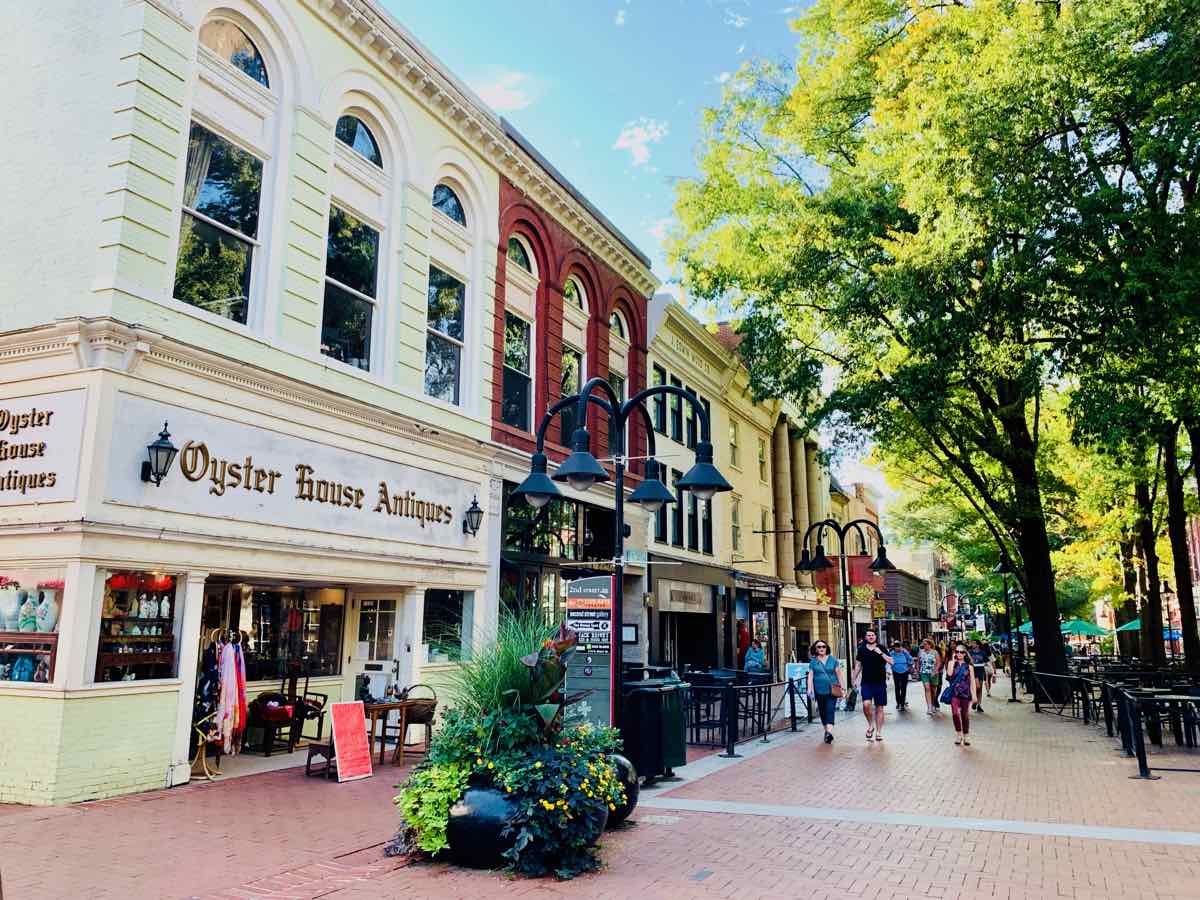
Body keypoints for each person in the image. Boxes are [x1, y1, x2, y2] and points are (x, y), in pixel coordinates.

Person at [852, 629, 893, 741]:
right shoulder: (861, 649)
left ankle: (879, 732)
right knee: (866, 704)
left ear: (876, 637)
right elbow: (858, 665)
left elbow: (891, 661)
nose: (870, 637)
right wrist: (854, 679)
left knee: (879, 707)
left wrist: (880, 653)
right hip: (866, 682)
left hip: (880, 682)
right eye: (868, 635)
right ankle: (871, 725)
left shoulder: (882, 648)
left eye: (872, 635)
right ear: (865, 637)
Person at [806, 639, 844, 744]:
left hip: (832, 690)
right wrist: (810, 689)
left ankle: (829, 732)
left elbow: (839, 674)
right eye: (819, 647)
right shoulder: (813, 662)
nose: (822, 648)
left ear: (826, 648)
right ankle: (827, 732)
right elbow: (810, 676)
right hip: (819, 690)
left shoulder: (833, 660)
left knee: (830, 710)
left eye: (823, 646)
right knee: (822, 712)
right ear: (815, 649)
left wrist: (843, 688)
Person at [944, 643, 979, 746]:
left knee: (965, 715)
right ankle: (959, 734)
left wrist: (974, 695)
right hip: (954, 692)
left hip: (965, 692)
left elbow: (972, 682)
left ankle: (966, 735)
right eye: (957, 652)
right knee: (955, 714)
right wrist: (952, 661)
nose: (959, 654)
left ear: (965, 654)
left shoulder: (969, 666)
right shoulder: (951, 663)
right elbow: (949, 674)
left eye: (961, 652)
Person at [918, 638, 939, 714]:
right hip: (924, 672)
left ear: (930, 645)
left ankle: (933, 705)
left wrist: (935, 670)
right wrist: (917, 671)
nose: (924, 645)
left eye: (926, 644)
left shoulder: (935, 652)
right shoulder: (921, 652)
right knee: (927, 688)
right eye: (923, 644)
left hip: (933, 673)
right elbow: (918, 661)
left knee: (933, 690)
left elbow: (938, 663)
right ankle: (929, 707)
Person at [890, 641, 913, 711]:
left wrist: (909, 666)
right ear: (894, 647)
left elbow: (910, 659)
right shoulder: (891, 653)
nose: (897, 648)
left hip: (904, 671)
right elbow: (888, 660)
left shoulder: (904, 652)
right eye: (896, 647)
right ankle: (898, 703)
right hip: (895, 671)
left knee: (903, 688)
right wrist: (888, 669)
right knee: (897, 687)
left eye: (899, 646)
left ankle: (902, 703)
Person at [967, 639, 988, 712]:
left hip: (980, 671)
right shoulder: (969, 652)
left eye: (974, 643)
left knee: (980, 688)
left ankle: (979, 704)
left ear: (978, 645)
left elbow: (986, 662)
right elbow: (967, 661)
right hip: (973, 671)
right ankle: (974, 700)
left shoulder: (983, 653)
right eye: (972, 643)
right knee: (976, 687)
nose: (972, 644)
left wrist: (985, 664)